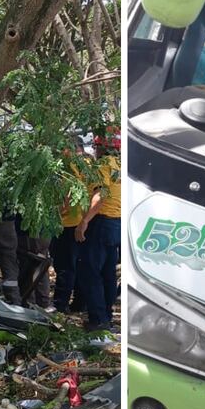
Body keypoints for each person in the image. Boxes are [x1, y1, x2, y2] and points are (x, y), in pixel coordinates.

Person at [76, 129, 121, 331]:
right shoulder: (121, 166)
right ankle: (107, 316)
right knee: (108, 273)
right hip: (116, 224)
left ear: (101, 148)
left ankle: (98, 320)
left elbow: (100, 196)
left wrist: (85, 221)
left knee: (90, 272)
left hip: (101, 223)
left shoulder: (102, 166)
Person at [50, 143, 90, 313]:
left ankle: (60, 304)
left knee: (65, 266)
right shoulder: (90, 166)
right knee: (80, 266)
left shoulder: (68, 170)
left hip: (68, 224)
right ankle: (80, 302)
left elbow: (65, 199)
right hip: (84, 223)